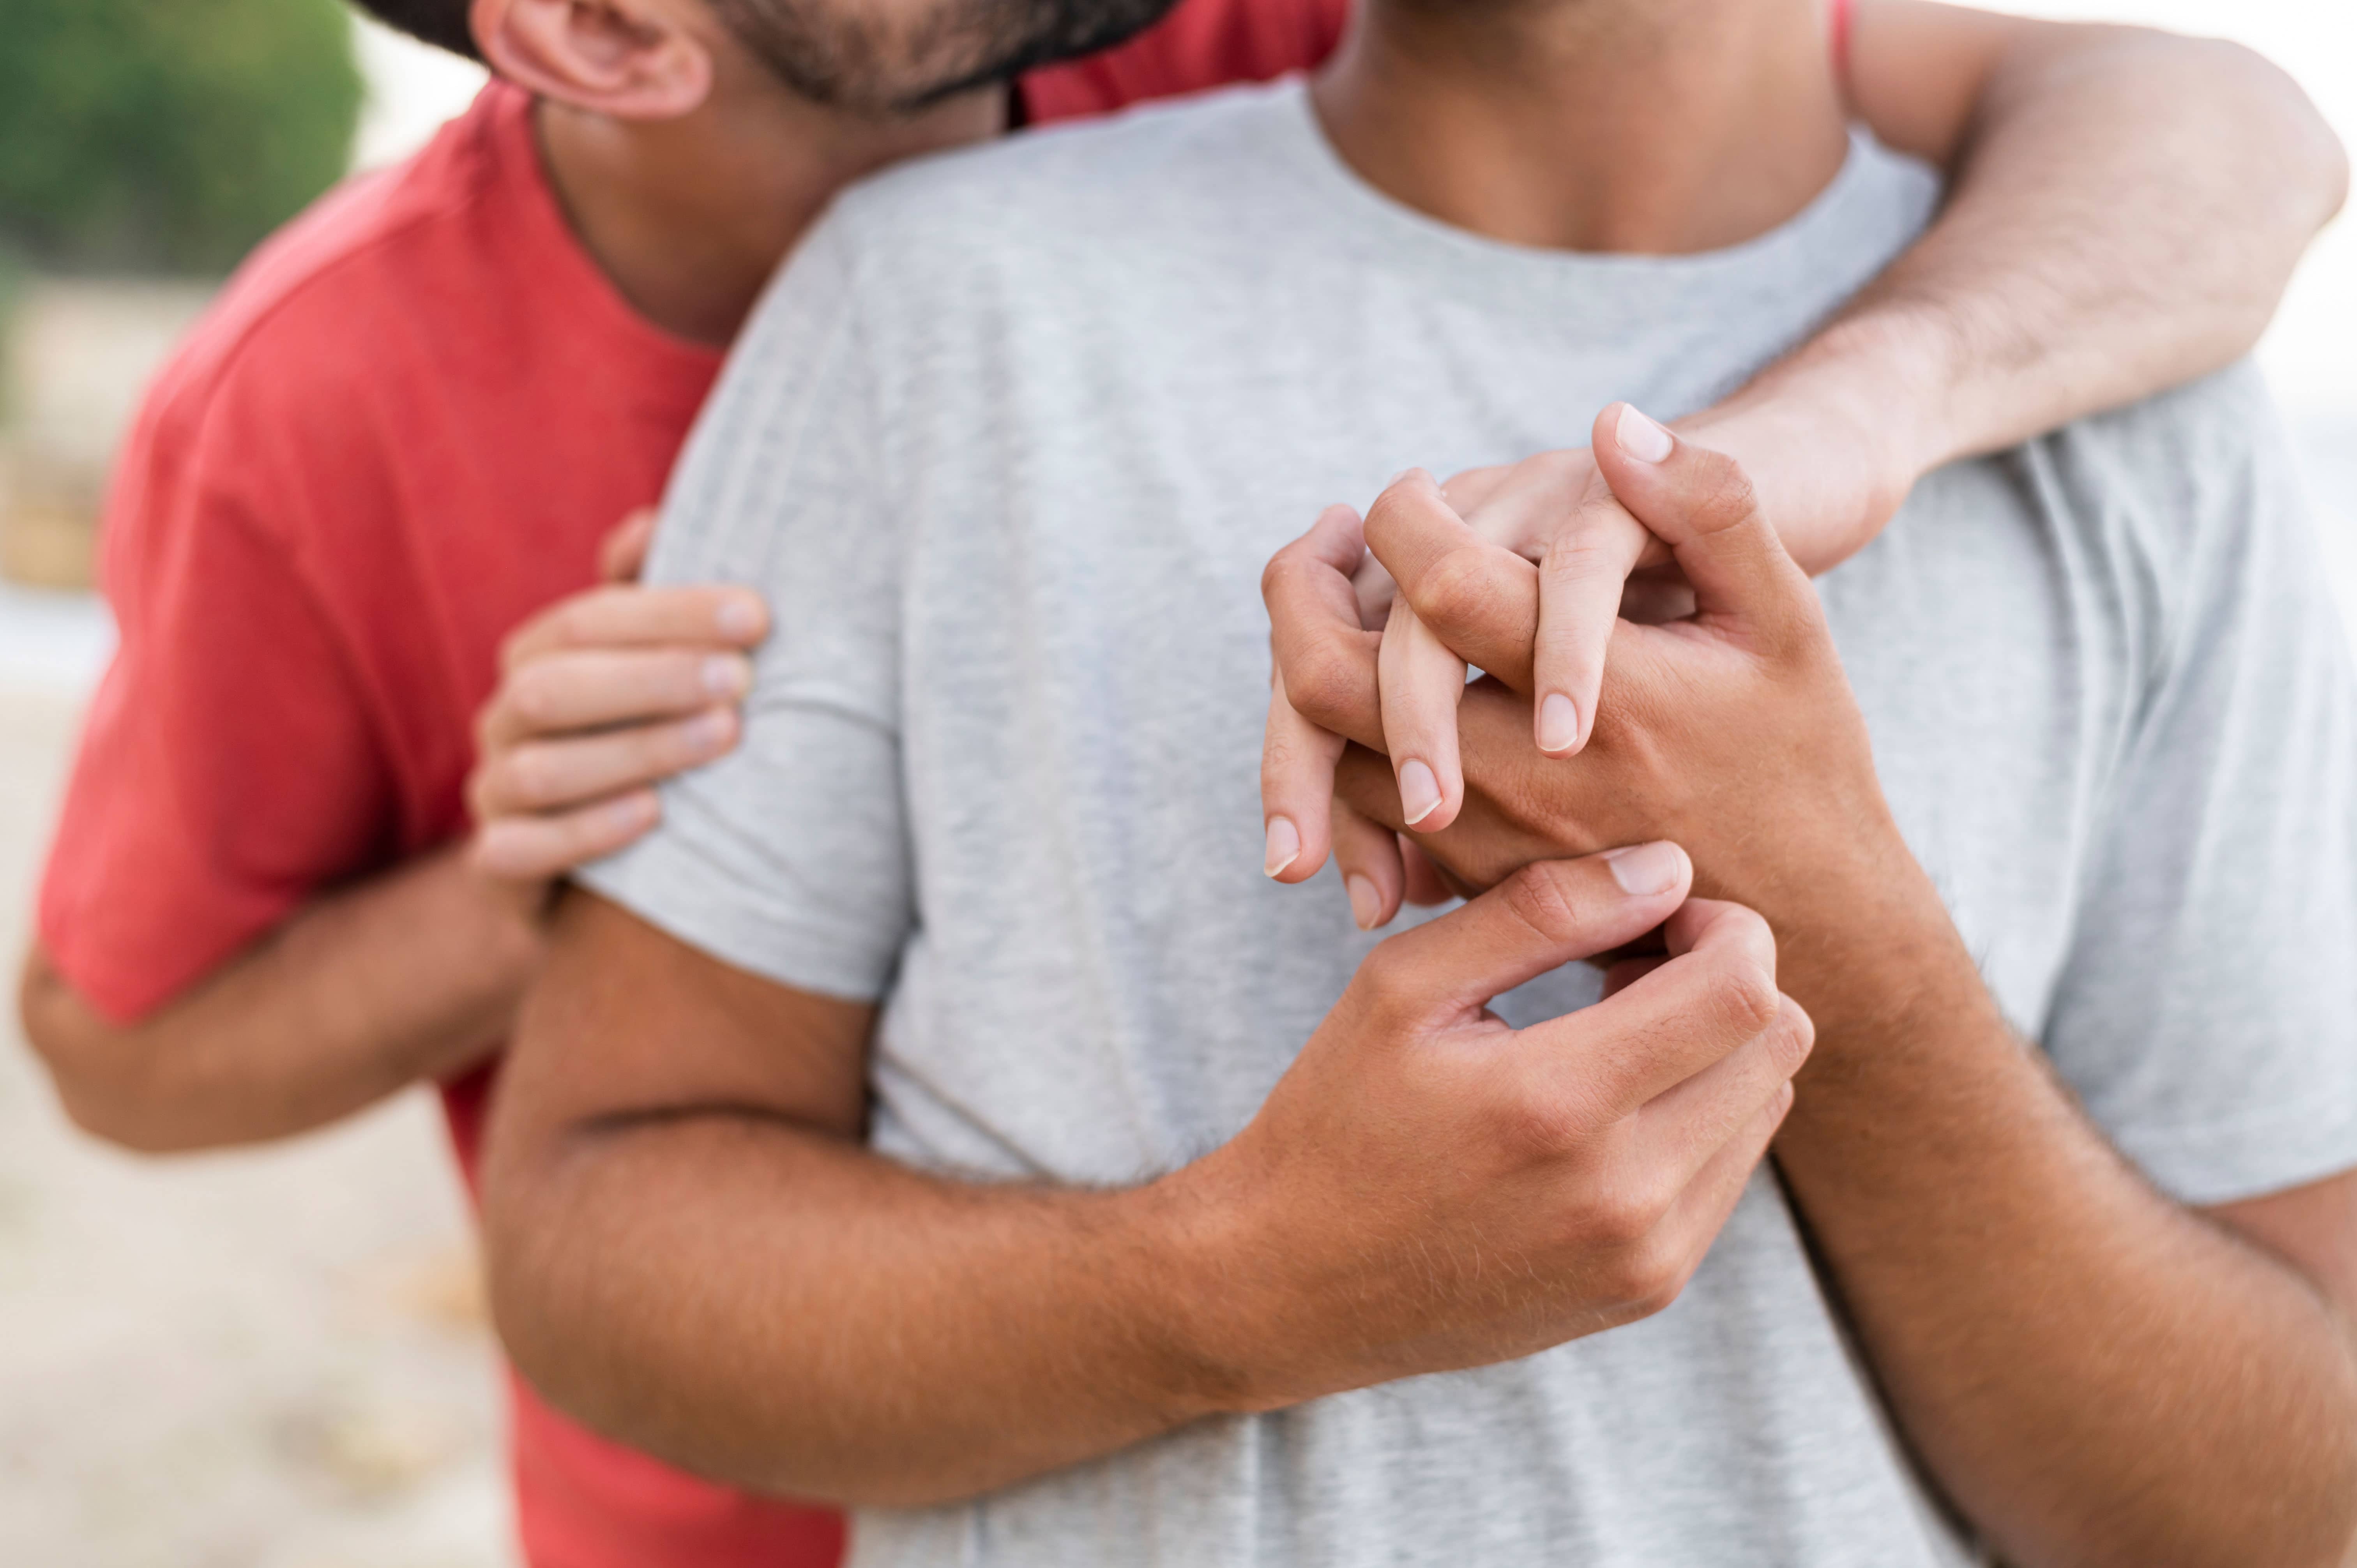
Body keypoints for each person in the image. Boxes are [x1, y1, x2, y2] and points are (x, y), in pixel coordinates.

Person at [12, 0, 2346, 1563]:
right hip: (728, 1495)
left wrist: (1807, 479)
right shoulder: (734, 331)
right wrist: (539, 857)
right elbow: (151, 1055)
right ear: (615, 32)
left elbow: (2229, 127)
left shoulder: (2112, 385)